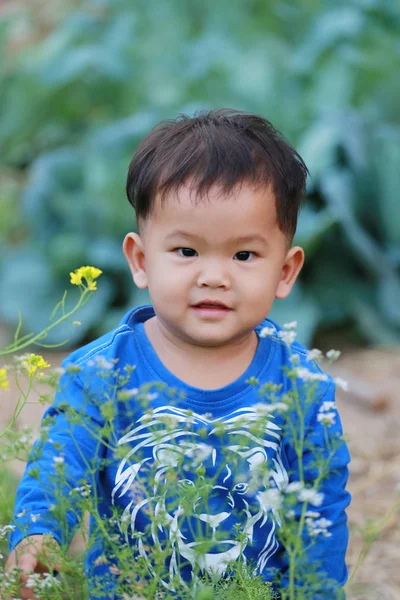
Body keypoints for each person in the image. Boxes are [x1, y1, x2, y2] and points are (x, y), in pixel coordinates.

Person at [6, 109, 351, 599]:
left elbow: (321, 514)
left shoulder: (300, 385)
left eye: (244, 255)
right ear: (141, 261)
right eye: (187, 252)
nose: (214, 275)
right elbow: (60, 466)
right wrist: (39, 530)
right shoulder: (101, 372)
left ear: (286, 271)